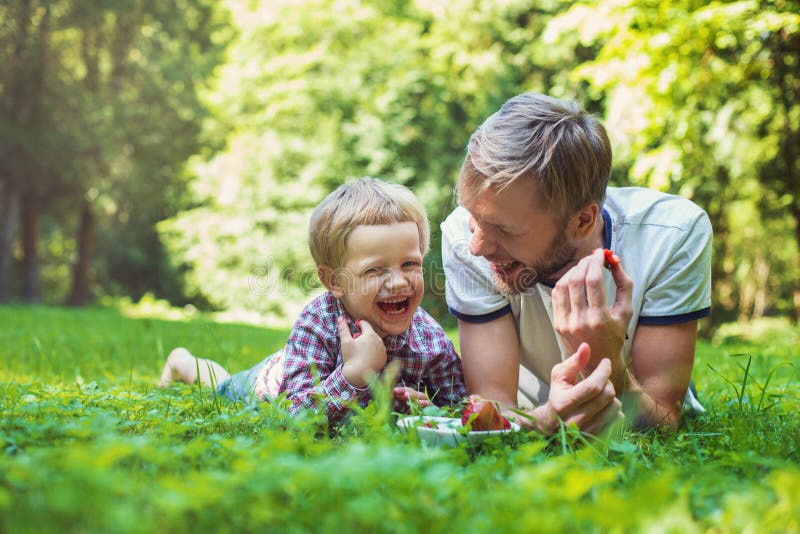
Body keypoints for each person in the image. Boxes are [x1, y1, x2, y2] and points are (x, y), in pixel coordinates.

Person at [441, 92, 711, 435]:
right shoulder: (462, 237)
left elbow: (662, 422)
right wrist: (546, 418)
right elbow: (491, 415)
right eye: (473, 217)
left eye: (504, 230)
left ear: (583, 221)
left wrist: (606, 358)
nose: (477, 246)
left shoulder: (673, 234)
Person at [159, 177, 467, 427]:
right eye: (375, 270)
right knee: (221, 386)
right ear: (334, 281)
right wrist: (354, 374)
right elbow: (292, 419)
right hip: (267, 386)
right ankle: (181, 362)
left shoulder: (428, 339)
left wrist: (430, 412)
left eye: (409, 264)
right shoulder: (319, 323)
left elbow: (459, 407)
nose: (399, 282)